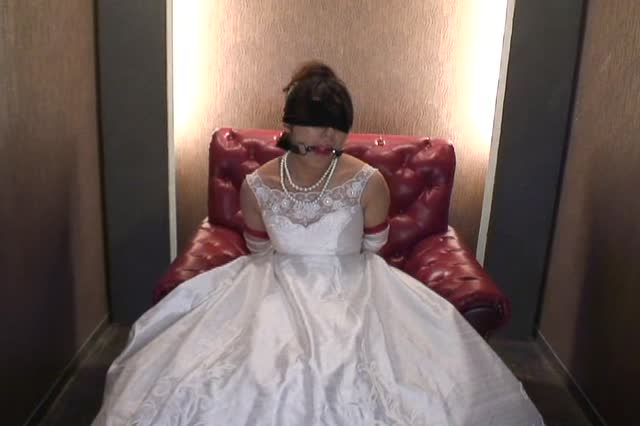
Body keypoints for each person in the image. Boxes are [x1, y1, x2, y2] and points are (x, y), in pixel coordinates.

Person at [92, 61, 544, 425]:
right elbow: (258, 249)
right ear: (289, 125)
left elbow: (374, 246)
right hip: (273, 279)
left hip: (354, 282)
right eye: (316, 125)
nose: (328, 136)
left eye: (337, 126)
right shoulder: (256, 184)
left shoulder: (369, 180)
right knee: (233, 369)